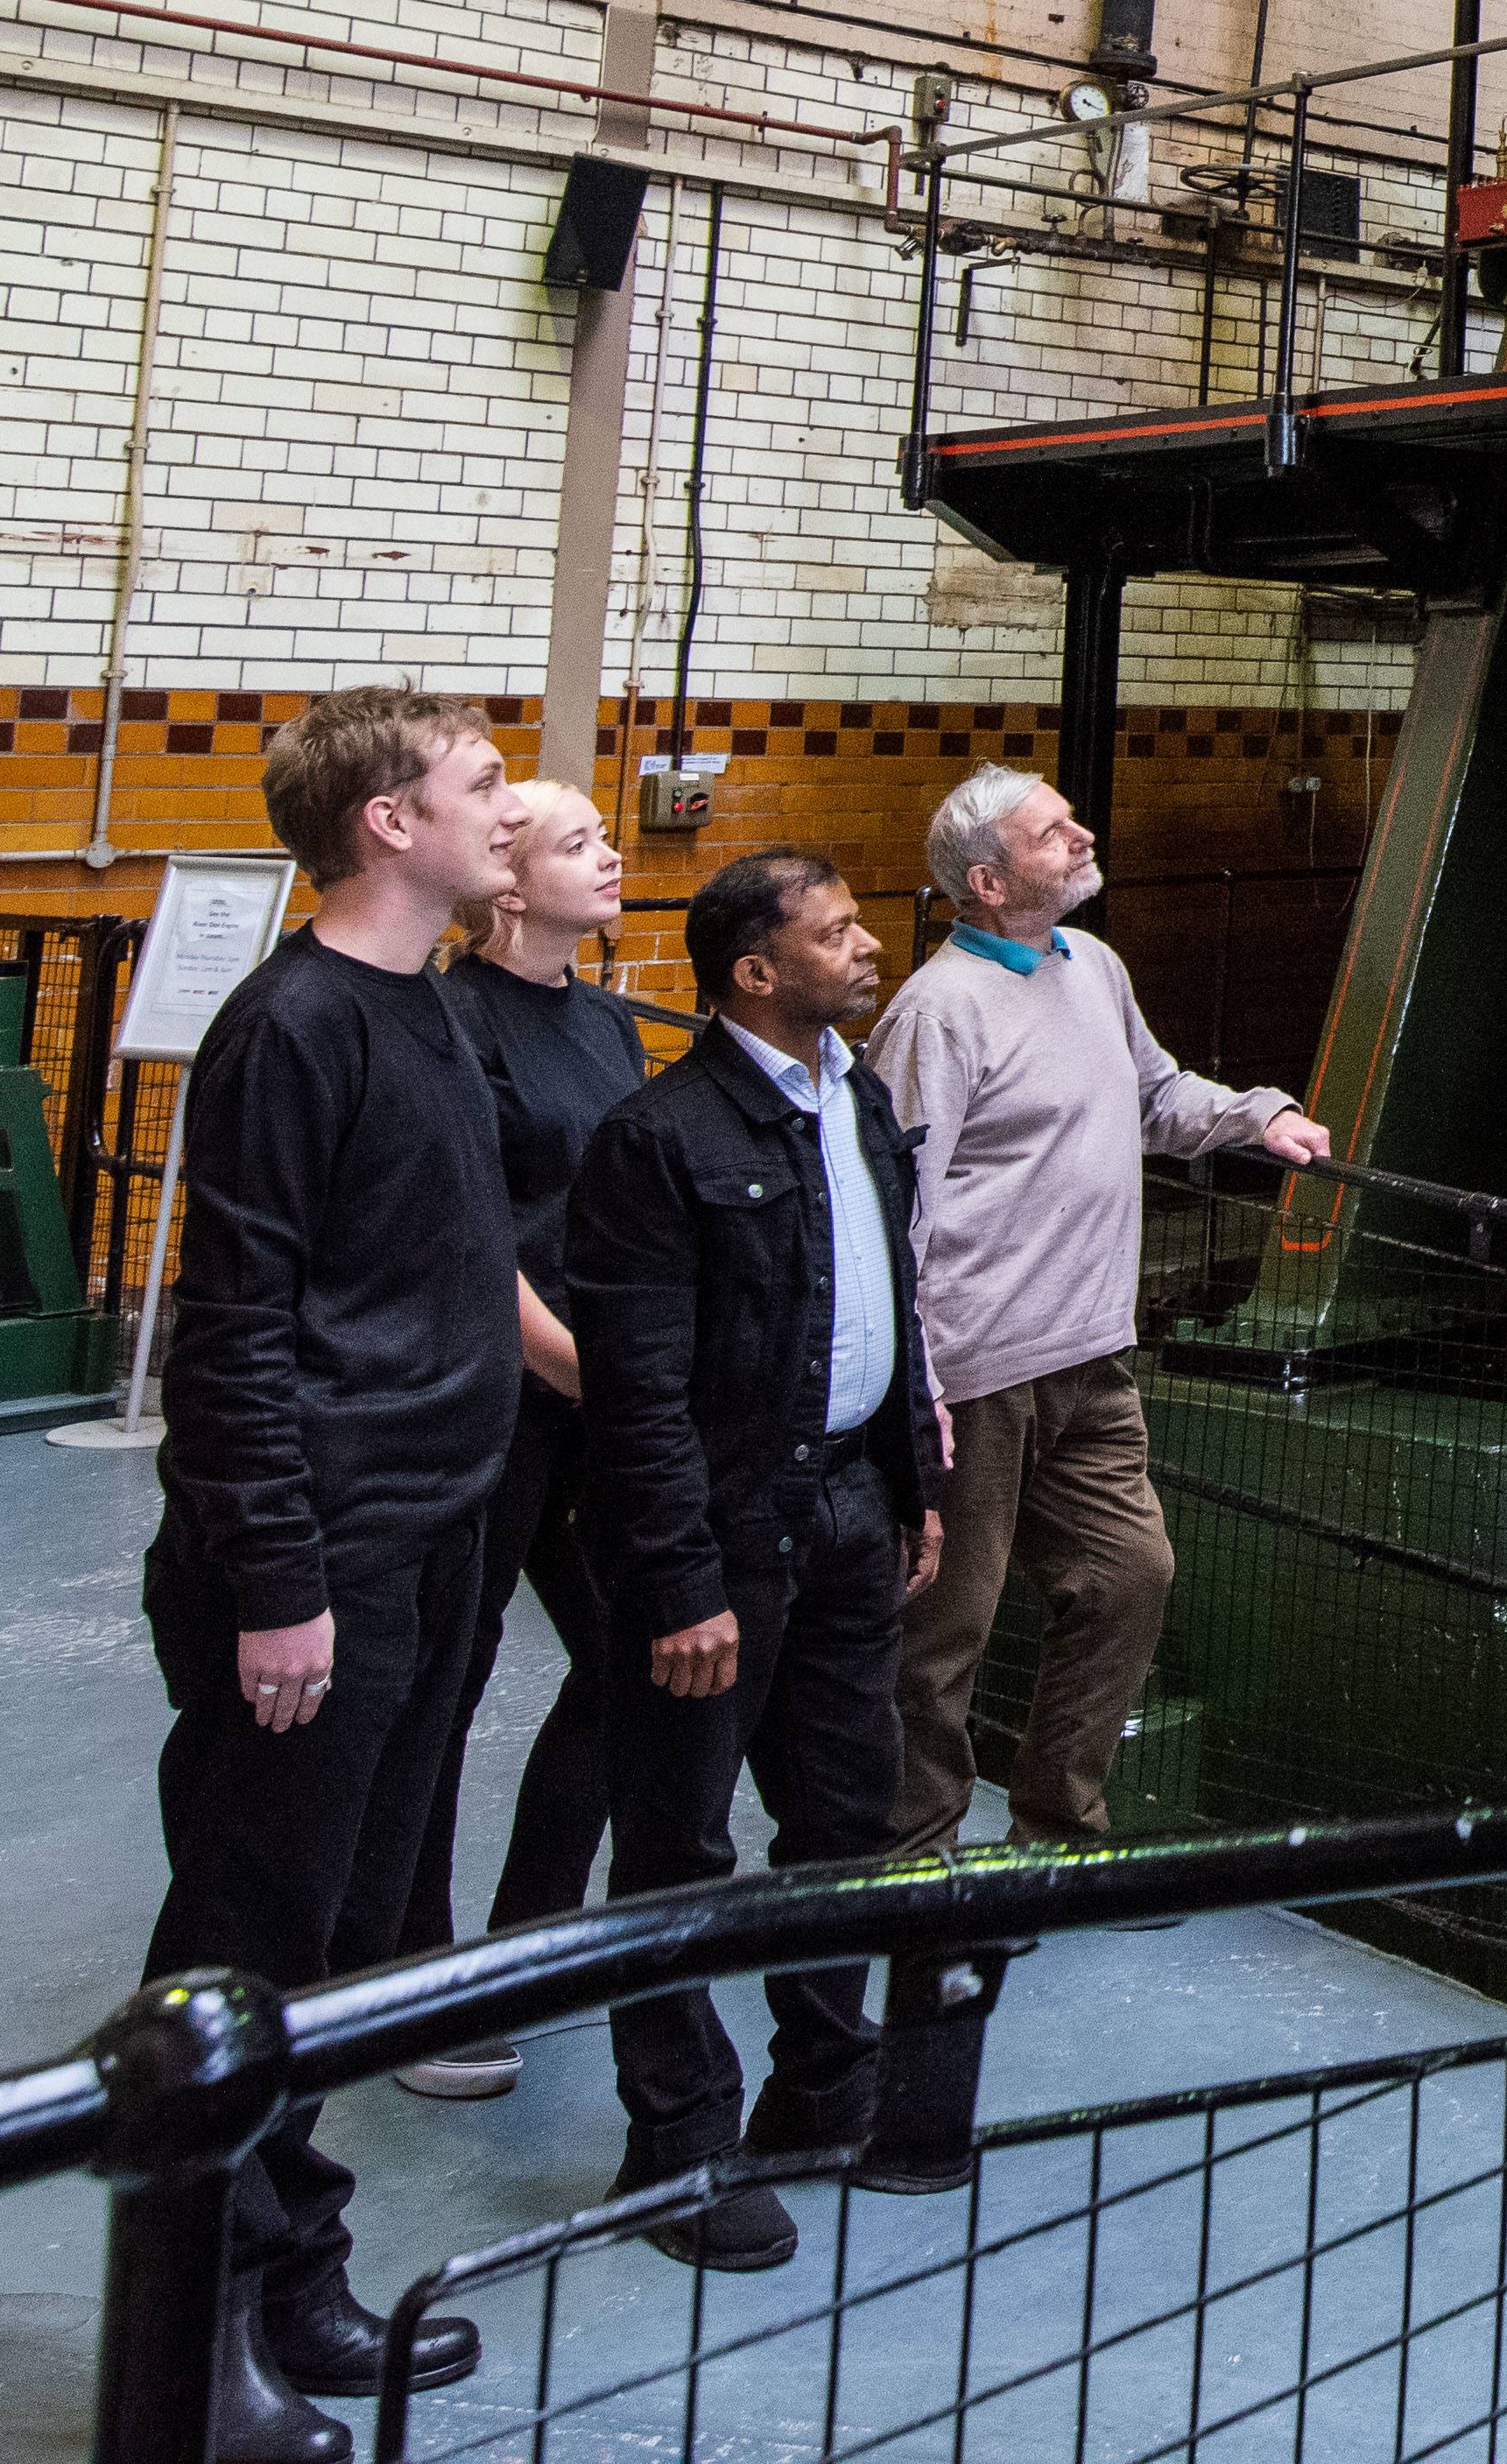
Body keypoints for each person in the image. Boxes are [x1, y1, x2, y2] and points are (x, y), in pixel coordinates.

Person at [135, 689, 519, 2456]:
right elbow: (231, 1329)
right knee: (247, 1937)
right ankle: (188, 2334)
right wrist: (277, 1577)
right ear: (387, 820)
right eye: (482, 783)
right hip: (319, 1560)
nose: (504, 808)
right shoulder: (293, 1023)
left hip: (427, 1531)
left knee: (351, 1928)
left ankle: (292, 2254)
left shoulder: (425, 1007)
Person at [566, 847, 942, 2271]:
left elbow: (884, 1299)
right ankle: (679, 2147)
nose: (864, 946)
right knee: (676, 1847)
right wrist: (678, 1580)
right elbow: (637, 1387)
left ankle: (820, 2092)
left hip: (850, 1512)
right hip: (717, 1536)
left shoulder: (858, 1096)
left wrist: (912, 1481)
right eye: (834, 930)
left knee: (844, 1817)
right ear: (753, 971)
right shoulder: (659, 1137)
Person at [875, 770, 1327, 1863]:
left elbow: (1156, 1097)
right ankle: (906, 1857)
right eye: (1052, 831)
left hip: (1091, 1357)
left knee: (1131, 1576)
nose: (1082, 834)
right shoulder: (935, 1014)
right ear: (988, 882)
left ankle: (1058, 1831)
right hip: (974, 1373)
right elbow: (893, 1211)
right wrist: (911, 1385)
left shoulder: (1094, 966)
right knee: (944, 1633)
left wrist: (1255, 1117)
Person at [384, 779, 659, 2102]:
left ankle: (532, 1932)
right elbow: (474, 1233)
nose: (609, 858)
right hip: (502, 1393)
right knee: (444, 1675)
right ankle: (415, 1978)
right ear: (508, 883)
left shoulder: (609, 1026)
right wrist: (577, 1370)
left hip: (593, 1390)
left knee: (630, 1655)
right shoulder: (450, 1024)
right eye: (577, 845)